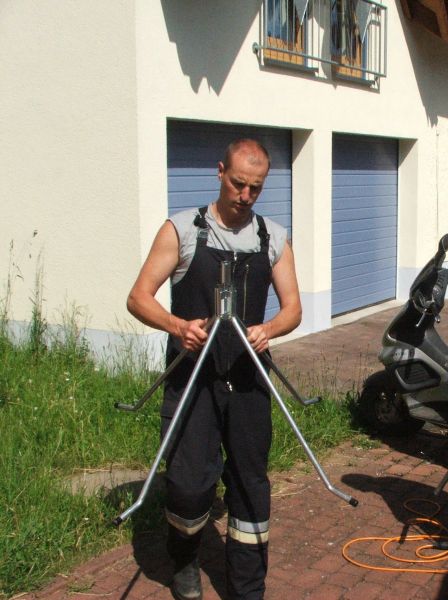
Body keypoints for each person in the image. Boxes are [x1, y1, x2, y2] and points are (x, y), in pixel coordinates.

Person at [127, 139, 302, 600]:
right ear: (220, 171)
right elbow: (138, 297)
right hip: (193, 379)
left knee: (250, 483)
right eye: (238, 184)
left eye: (255, 188)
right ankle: (184, 560)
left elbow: (293, 310)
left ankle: (247, 588)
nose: (245, 196)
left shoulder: (272, 237)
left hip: (248, 378)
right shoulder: (182, 230)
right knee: (188, 484)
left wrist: (270, 329)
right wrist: (176, 326)